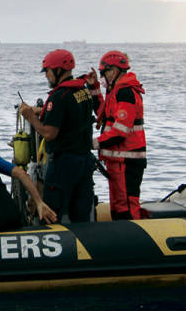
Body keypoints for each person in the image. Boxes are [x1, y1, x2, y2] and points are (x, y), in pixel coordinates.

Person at [19, 49, 95, 223]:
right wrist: (41, 110)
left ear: (58, 70)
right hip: (84, 160)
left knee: (51, 212)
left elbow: (49, 133)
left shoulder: (59, 97)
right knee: (81, 213)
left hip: (64, 163)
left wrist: (30, 117)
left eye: (47, 71)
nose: (46, 76)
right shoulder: (82, 91)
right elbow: (69, 116)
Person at [88, 50, 147, 220]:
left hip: (127, 162)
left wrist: (93, 143)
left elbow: (120, 132)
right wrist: (93, 88)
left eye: (103, 73)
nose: (102, 77)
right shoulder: (115, 92)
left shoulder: (125, 93)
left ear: (113, 71)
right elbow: (103, 113)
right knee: (117, 207)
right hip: (117, 162)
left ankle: (135, 240)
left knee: (127, 207)